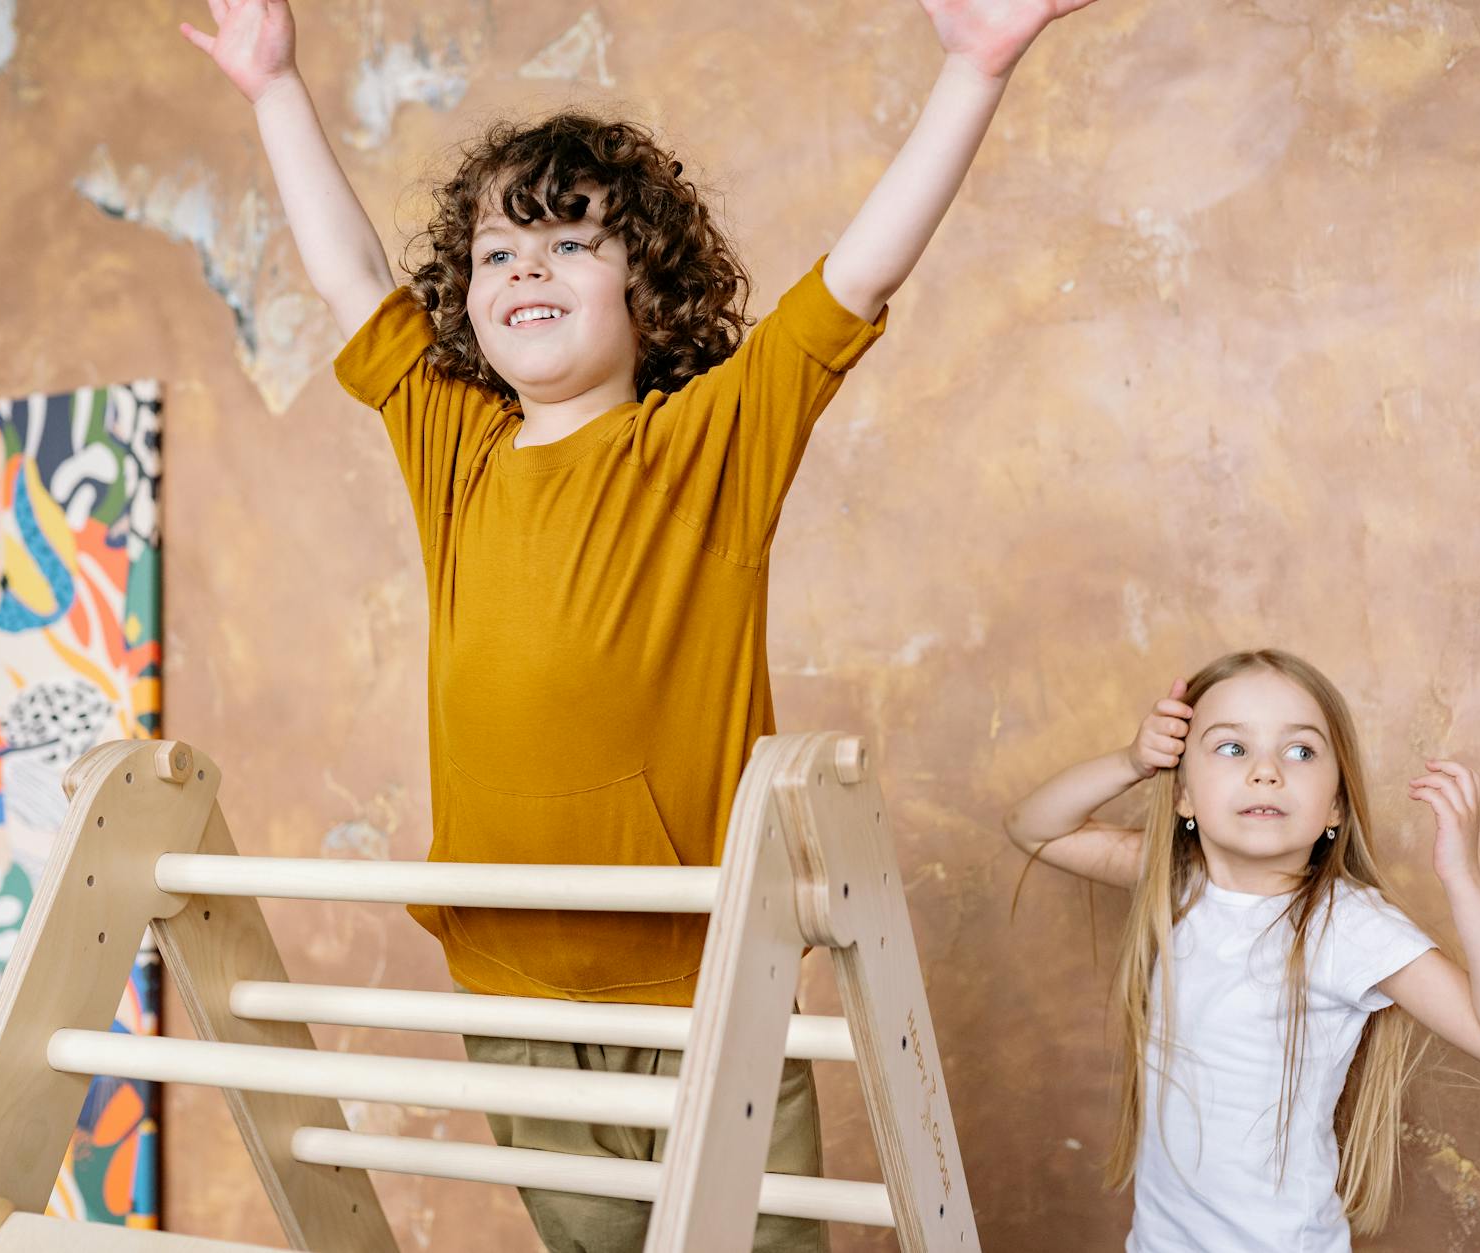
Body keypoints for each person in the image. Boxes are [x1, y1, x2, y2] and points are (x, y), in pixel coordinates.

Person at [182, 2, 1103, 1247]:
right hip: (509, 985)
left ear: (646, 286)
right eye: (498, 254)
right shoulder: (454, 446)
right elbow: (350, 275)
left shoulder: (709, 445)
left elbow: (860, 276)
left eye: (566, 242)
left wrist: (971, 68)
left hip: (702, 983)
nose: (524, 272)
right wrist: (273, 90)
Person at [1003, 649, 1480, 1251]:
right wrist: (1131, 761)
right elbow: (1035, 827)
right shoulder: (1175, 881)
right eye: (1233, 748)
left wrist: (1462, 875)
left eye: (1301, 751)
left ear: (1336, 806)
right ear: (1184, 794)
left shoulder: (1346, 925)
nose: (1266, 771)